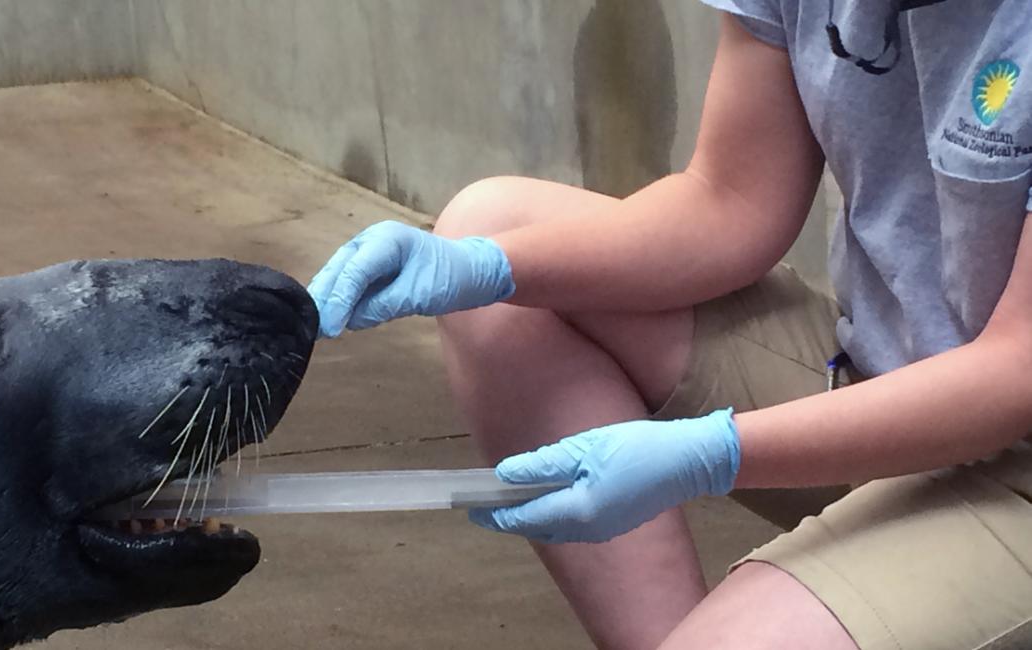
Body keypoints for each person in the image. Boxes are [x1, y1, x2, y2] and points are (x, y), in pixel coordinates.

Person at [307, 1, 1032, 648]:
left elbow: (1018, 368)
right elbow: (732, 200)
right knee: (496, 232)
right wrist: (484, 265)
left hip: (1017, 458)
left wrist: (711, 451)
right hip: (880, 375)